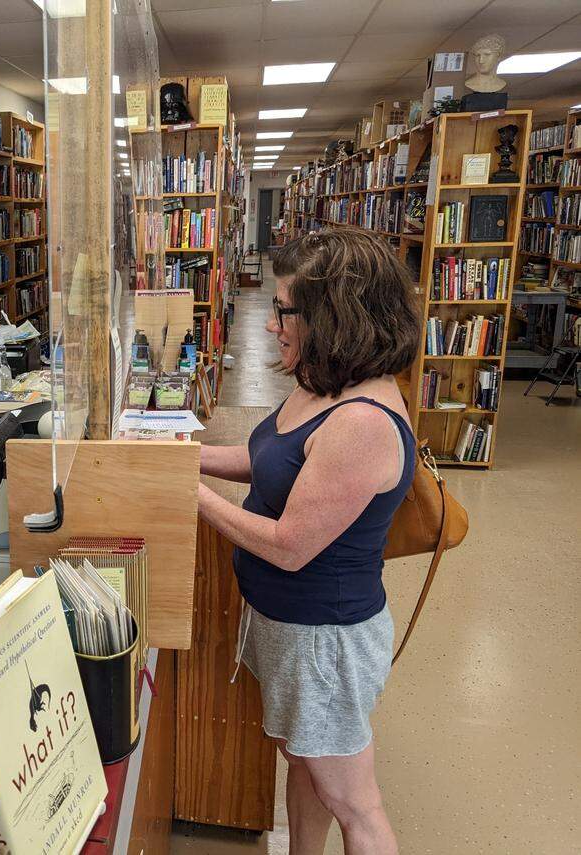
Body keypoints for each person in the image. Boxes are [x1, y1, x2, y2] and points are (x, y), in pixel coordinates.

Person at [196, 228, 420, 855]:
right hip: (292, 627)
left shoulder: (361, 423)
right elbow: (264, 458)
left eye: (284, 309)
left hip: (326, 639)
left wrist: (192, 496)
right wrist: (187, 460)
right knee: (305, 763)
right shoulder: (322, 385)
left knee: (355, 801)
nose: (271, 325)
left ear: (336, 316)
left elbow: (291, 545)